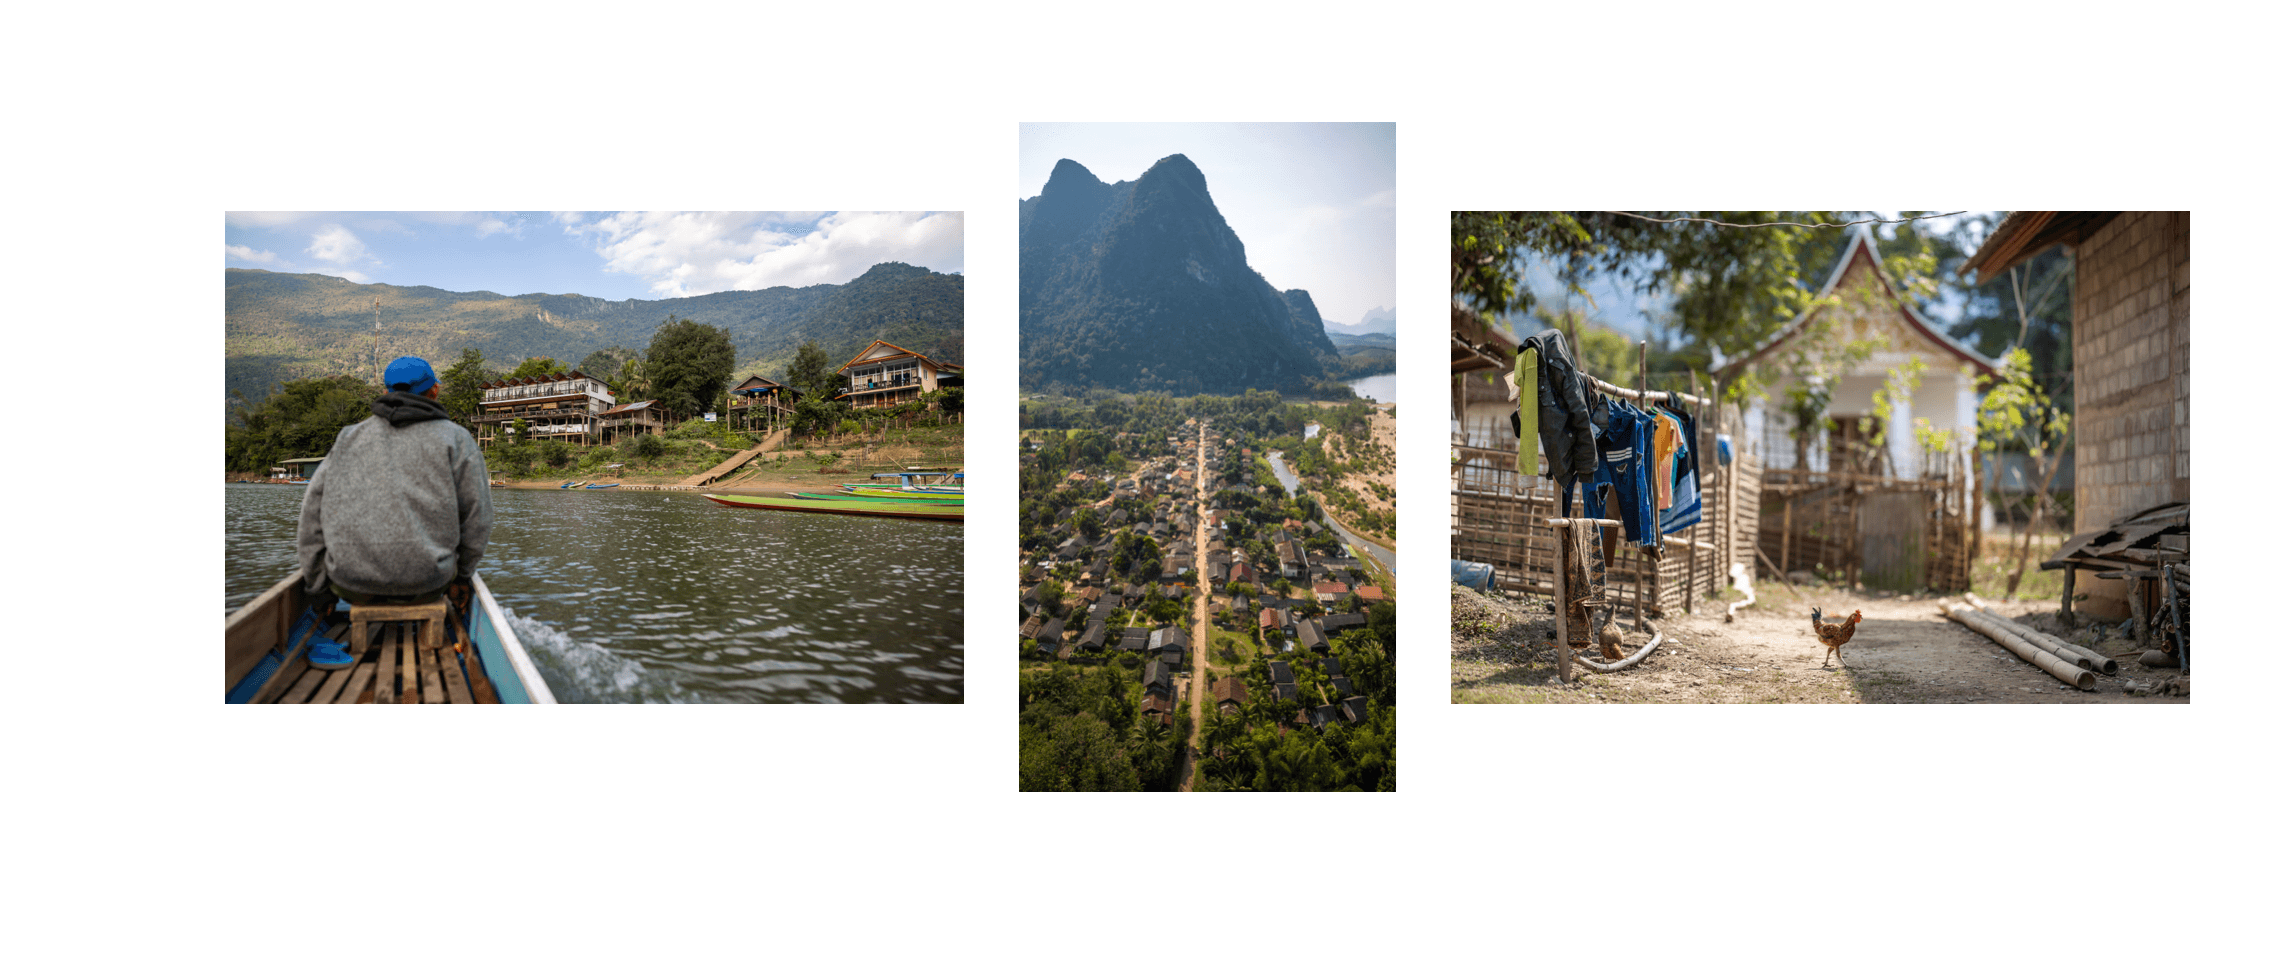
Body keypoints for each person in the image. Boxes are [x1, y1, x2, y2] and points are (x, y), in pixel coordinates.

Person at [297, 356, 494, 669]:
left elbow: (311, 517)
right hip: (426, 584)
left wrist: (318, 586)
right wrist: (464, 575)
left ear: (386, 392)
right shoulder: (457, 439)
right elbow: (477, 519)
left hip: (352, 586)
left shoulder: (348, 436)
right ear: (435, 391)